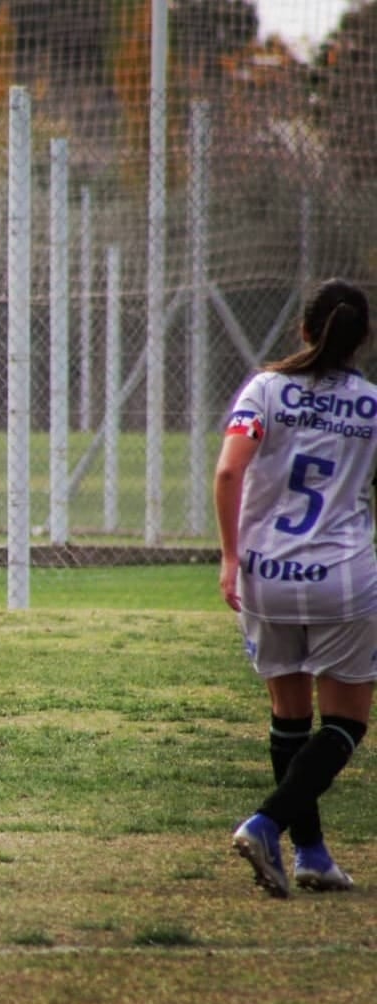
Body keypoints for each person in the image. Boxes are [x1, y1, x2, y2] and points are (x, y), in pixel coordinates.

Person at [214, 277, 376, 897]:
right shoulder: (371, 405)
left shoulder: (264, 389)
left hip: (265, 574)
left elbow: (231, 470)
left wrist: (231, 558)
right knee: (344, 725)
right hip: (343, 579)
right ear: (361, 341)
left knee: (289, 717)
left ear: (304, 331)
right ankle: (267, 823)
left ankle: (309, 854)